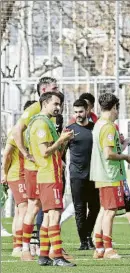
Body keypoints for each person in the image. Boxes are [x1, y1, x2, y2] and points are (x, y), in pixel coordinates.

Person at [11, 77, 59, 261]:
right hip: (35, 169)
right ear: (44, 90)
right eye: (54, 88)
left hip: (48, 168)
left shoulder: (52, 112)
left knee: (49, 209)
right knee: (34, 207)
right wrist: (26, 153)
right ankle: (25, 249)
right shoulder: (35, 109)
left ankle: (47, 249)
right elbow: (16, 132)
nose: (58, 90)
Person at [26, 92, 76, 266]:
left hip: (52, 174)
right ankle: (58, 256)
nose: (58, 107)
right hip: (48, 176)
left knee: (48, 218)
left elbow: (54, 152)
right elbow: (44, 152)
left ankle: (44, 256)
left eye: (59, 104)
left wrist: (63, 141)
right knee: (54, 216)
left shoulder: (48, 123)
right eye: (55, 104)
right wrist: (61, 139)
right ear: (45, 103)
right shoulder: (40, 124)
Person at [90, 93, 130, 259]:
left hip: (102, 174)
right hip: (110, 175)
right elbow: (108, 154)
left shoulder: (98, 124)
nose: (118, 113)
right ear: (113, 108)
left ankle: (99, 248)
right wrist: (127, 157)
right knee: (110, 212)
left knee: (104, 210)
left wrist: (123, 145)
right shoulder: (108, 127)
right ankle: (108, 248)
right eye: (117, 109)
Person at [1, 100, 36, 256]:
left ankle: (18, 244)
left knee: (19, 209)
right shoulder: (17, 131)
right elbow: (7, 153)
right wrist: (4, 173)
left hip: (25, 174)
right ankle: (19, 246)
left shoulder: (31, 130)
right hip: (17, 175)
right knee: (24, 209)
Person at [66, 99, 100, 250]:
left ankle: (87, 235)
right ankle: (84, 241)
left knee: (95, 207)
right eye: (75, 112)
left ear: (87, 111)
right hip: (76, 176)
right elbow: (61, 151)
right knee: (80, 209)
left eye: (80, 111)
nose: (78, 115)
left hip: (94, 175)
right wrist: (61, 164)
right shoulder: (69, 130)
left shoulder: (95, 128)